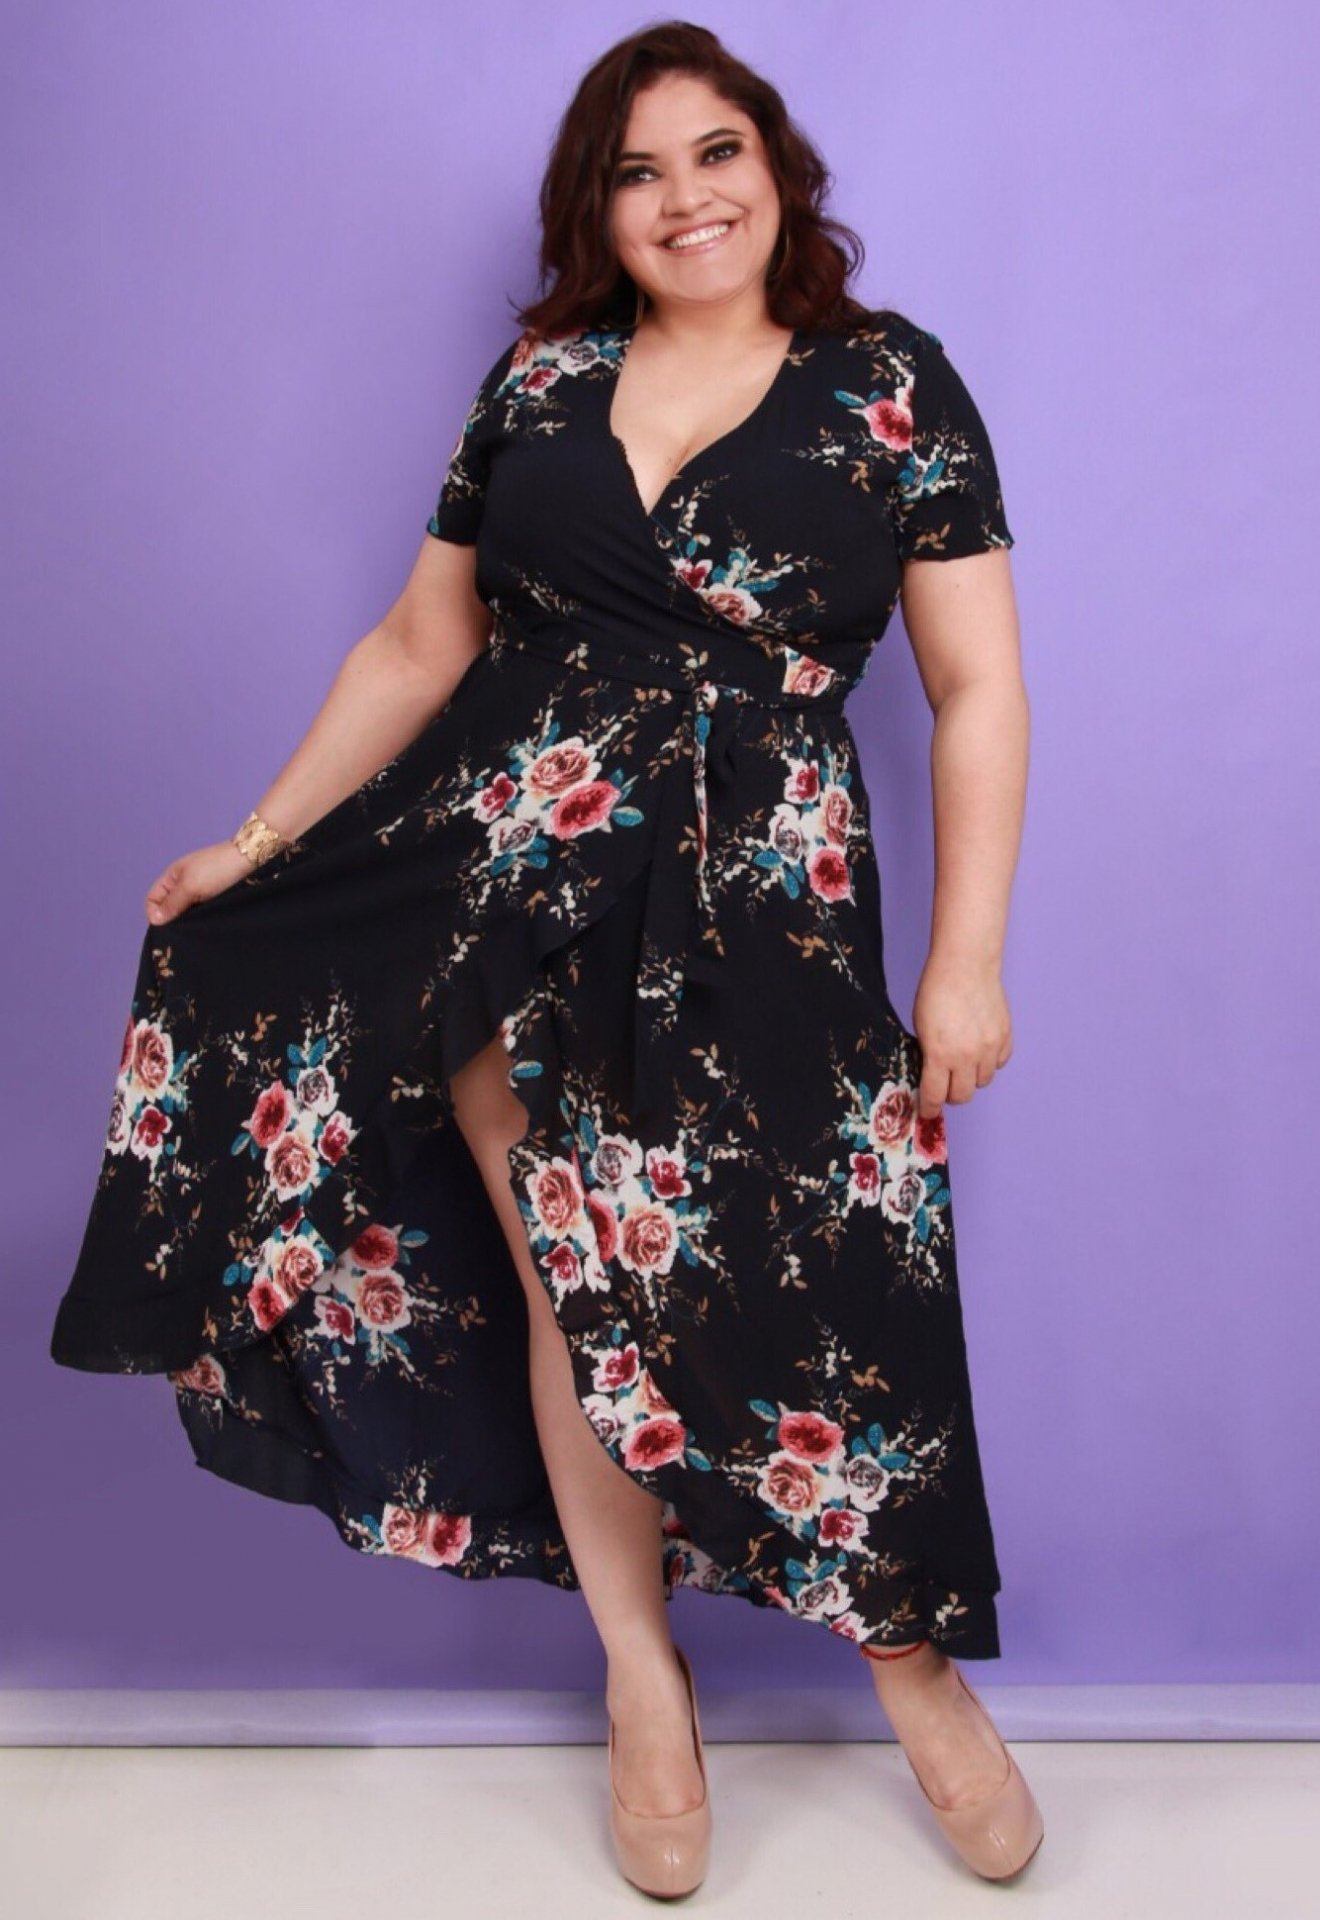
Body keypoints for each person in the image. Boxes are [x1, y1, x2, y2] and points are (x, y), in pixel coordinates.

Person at [49, 21, 1041, 1897]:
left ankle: (911, 1667)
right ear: (600, 208)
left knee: (819, 1279)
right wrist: (255, 843)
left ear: (777, 168)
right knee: (577, 1290)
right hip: (497, 884)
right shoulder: (540, 379)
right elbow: (420, 647)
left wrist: (965, 958)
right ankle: (640, 1678)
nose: (688, 198)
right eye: (639, 171)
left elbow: (977, 688)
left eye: (718, 152)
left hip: (764, 895)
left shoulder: (889, 382)